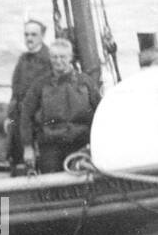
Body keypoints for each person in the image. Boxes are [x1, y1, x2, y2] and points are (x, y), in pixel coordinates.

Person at [19, 38, 101, 174]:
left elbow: (100, 112)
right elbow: (26, 116)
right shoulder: (40, 85)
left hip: (80, 142)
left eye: (62, 57)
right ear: (50, 58)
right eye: (54, 57)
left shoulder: (85, 82)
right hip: (50, 146)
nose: (58, 61)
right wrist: (28, 148)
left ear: (70, 57)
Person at [4, 20, 54, 173]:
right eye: (26, 35)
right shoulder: (23, 59)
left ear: (43, 35)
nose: (29, 38)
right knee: (17, 155)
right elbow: (15, 91)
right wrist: (9, 117)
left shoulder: (49, 60)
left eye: (33, 34)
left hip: (39, 117)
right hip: (20, 116)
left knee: (39, 158)